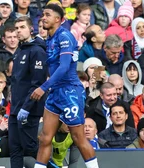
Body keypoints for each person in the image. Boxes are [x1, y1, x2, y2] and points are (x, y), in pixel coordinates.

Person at [31, 4, 99, 168]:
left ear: (58, 19)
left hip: (70, 92)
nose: (43, 17)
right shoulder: (50, 37)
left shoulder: (64, 36)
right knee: (45, 138)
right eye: (42, 14)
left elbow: (64, 67)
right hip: (55, 92)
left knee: (78, 138)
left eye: (47, 14)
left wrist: (43, 87)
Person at [9, 16, 48, 168]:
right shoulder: (19, 50)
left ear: (31, 29)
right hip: (15, 108)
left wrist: (26, 107)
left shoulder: (38, 51)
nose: (18, 31)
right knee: (15, 148)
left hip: (29, 108)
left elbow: (37, 84)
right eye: (16, 28)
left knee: (30, 147)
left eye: (22, 27)